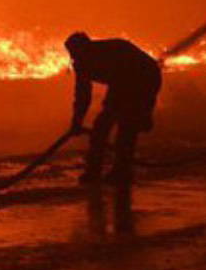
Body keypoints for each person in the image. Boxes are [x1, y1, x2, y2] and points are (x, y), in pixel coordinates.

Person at [64, 32, 162, 186]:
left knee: (126, 129)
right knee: (101, 128)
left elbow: (127, 84)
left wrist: (144, 110)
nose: (75, 57)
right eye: (71, 54)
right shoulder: (81, 63)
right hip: (121, 84)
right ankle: (94, 171)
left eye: (76, 52)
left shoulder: (114, 50)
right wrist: (77, 120)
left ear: (86, 48)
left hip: (144, 78)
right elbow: (83, 94)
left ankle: (121, 172)